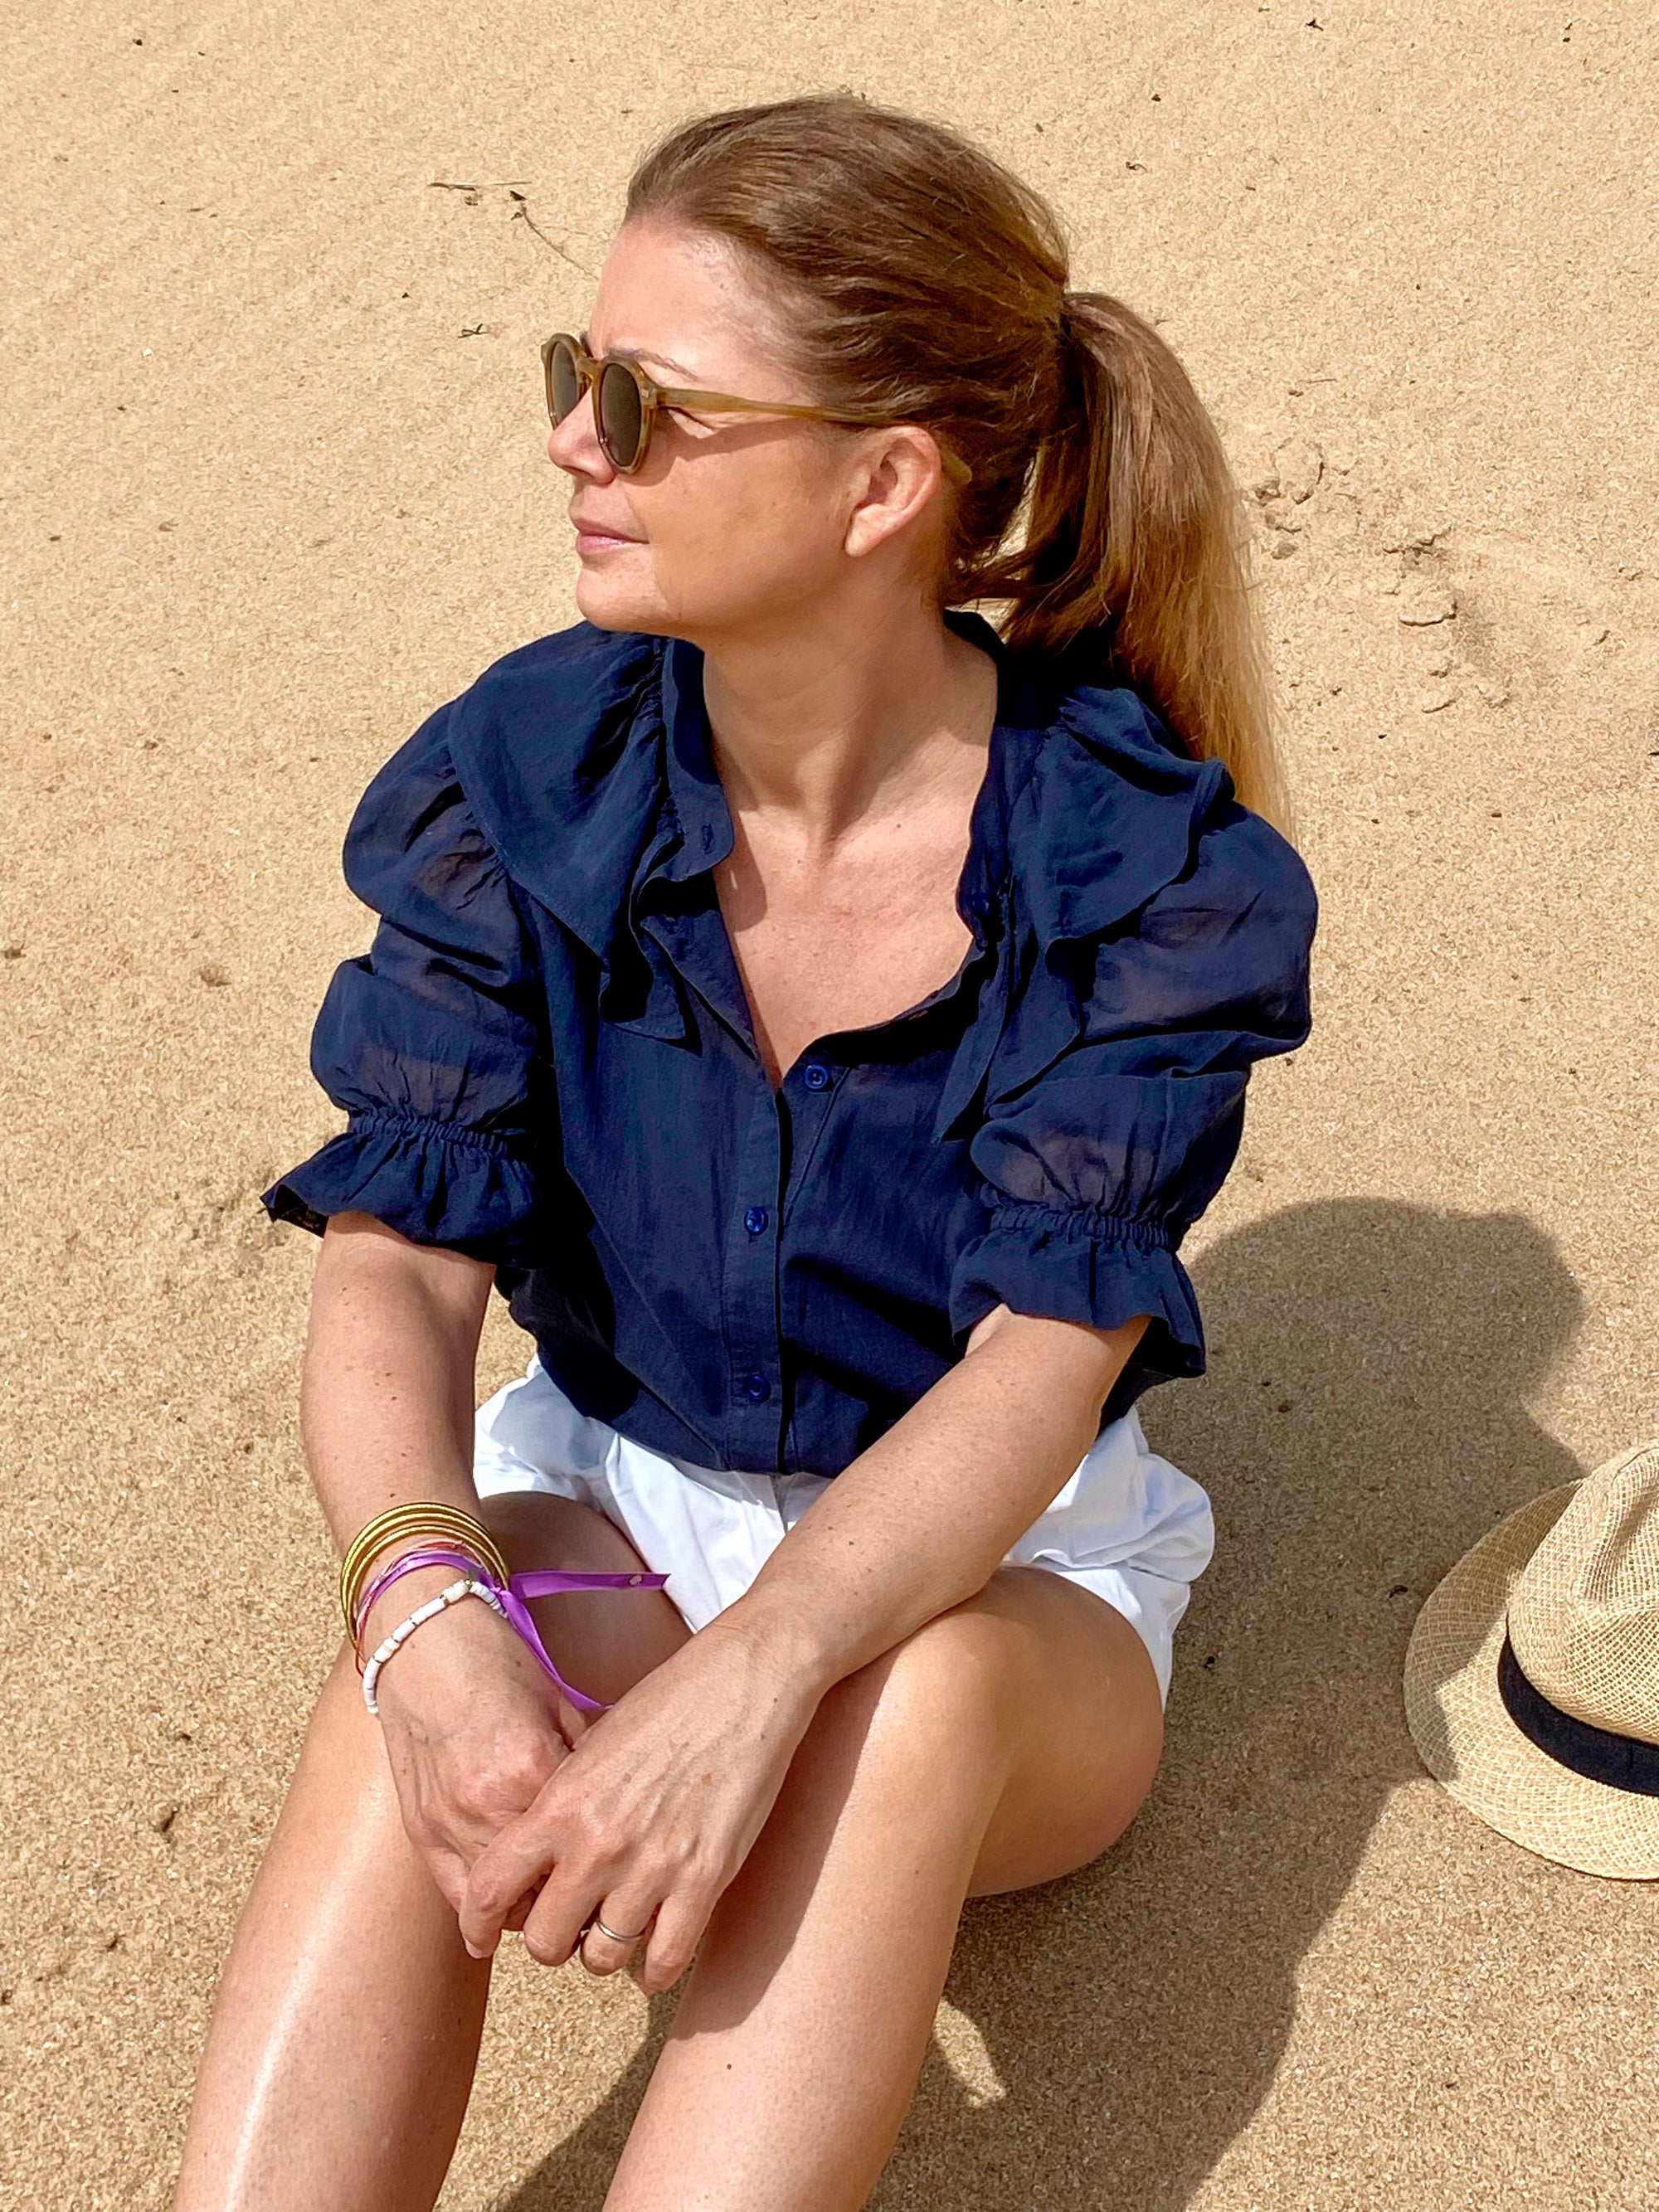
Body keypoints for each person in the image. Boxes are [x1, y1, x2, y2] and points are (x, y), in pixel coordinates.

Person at [173, 93, 1316, 2212]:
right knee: (454, 1602)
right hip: (622, 1497)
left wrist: (765, 1670)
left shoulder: (1139, 870)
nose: (572, 441)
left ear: (885, 482)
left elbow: (1035, 1368)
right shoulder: (526, 774)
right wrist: (420, 1607)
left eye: (648, 402)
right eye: (575, 372)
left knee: (911, 1701)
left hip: (991, 1579)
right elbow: (396, 1259)